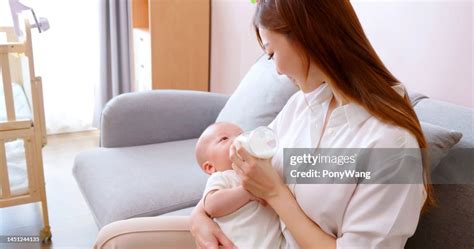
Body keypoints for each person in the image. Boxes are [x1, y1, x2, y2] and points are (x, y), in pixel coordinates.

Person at [94, 1, 434, 248]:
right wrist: (200, 216)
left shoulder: (391, 149)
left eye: (271, 53)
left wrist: (274, 192)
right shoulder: (306, 105)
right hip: (253, 235)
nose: (278, 70)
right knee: (115, 240)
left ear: (307, 37)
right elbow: (255, 168)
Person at [194, 122, 282, 249]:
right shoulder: (223, 177)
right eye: (224, 139)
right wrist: (247, 191)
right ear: (210, 167)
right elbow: (212, 206)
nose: (237, 140)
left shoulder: (260, 169)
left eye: (241, 135)